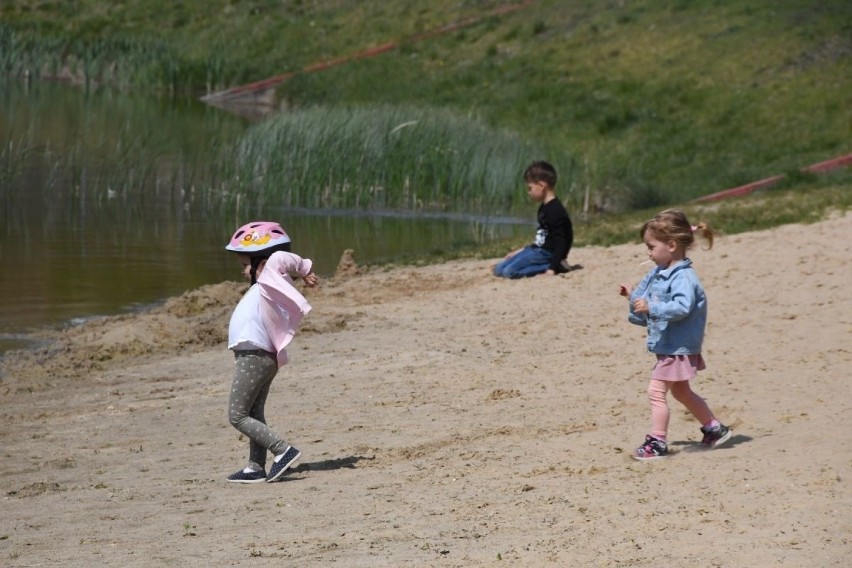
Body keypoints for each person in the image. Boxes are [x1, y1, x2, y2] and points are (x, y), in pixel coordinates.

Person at [618, 209, 732, 460]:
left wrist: (652, 307)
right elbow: (647, 305)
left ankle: (657, 442)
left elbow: (682, 307)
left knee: (656, 392)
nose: (648, 252)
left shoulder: (683, 277)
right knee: (681, 392)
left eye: (651, 246)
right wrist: (632, 297)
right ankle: (715, 429)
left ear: (670, 245)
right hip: (671, 344)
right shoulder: (662, 271)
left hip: (677, 347)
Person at [223, 221, 319, 483]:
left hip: (255, 356)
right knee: (253, 413)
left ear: (261, 264)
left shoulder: (269, 277)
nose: (244, 271)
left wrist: (304, 269)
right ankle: (255, 467)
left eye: (246, 265)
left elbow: (280, 256)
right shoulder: (266, 287)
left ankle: (282, 450)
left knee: (237, 415)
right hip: (257, 356)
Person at [492, 160, 573, 278]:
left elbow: (562, 242)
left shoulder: (555, 211)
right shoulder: (543, 208)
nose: (528, 192)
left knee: (509, 272)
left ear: (541, 186)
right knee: (499, 269)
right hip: (537, 250)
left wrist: (552, 269)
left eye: (530, 188)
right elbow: (541, 238)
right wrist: (520, 251)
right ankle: (544, 264)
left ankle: (555, 266)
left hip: (547, 254)